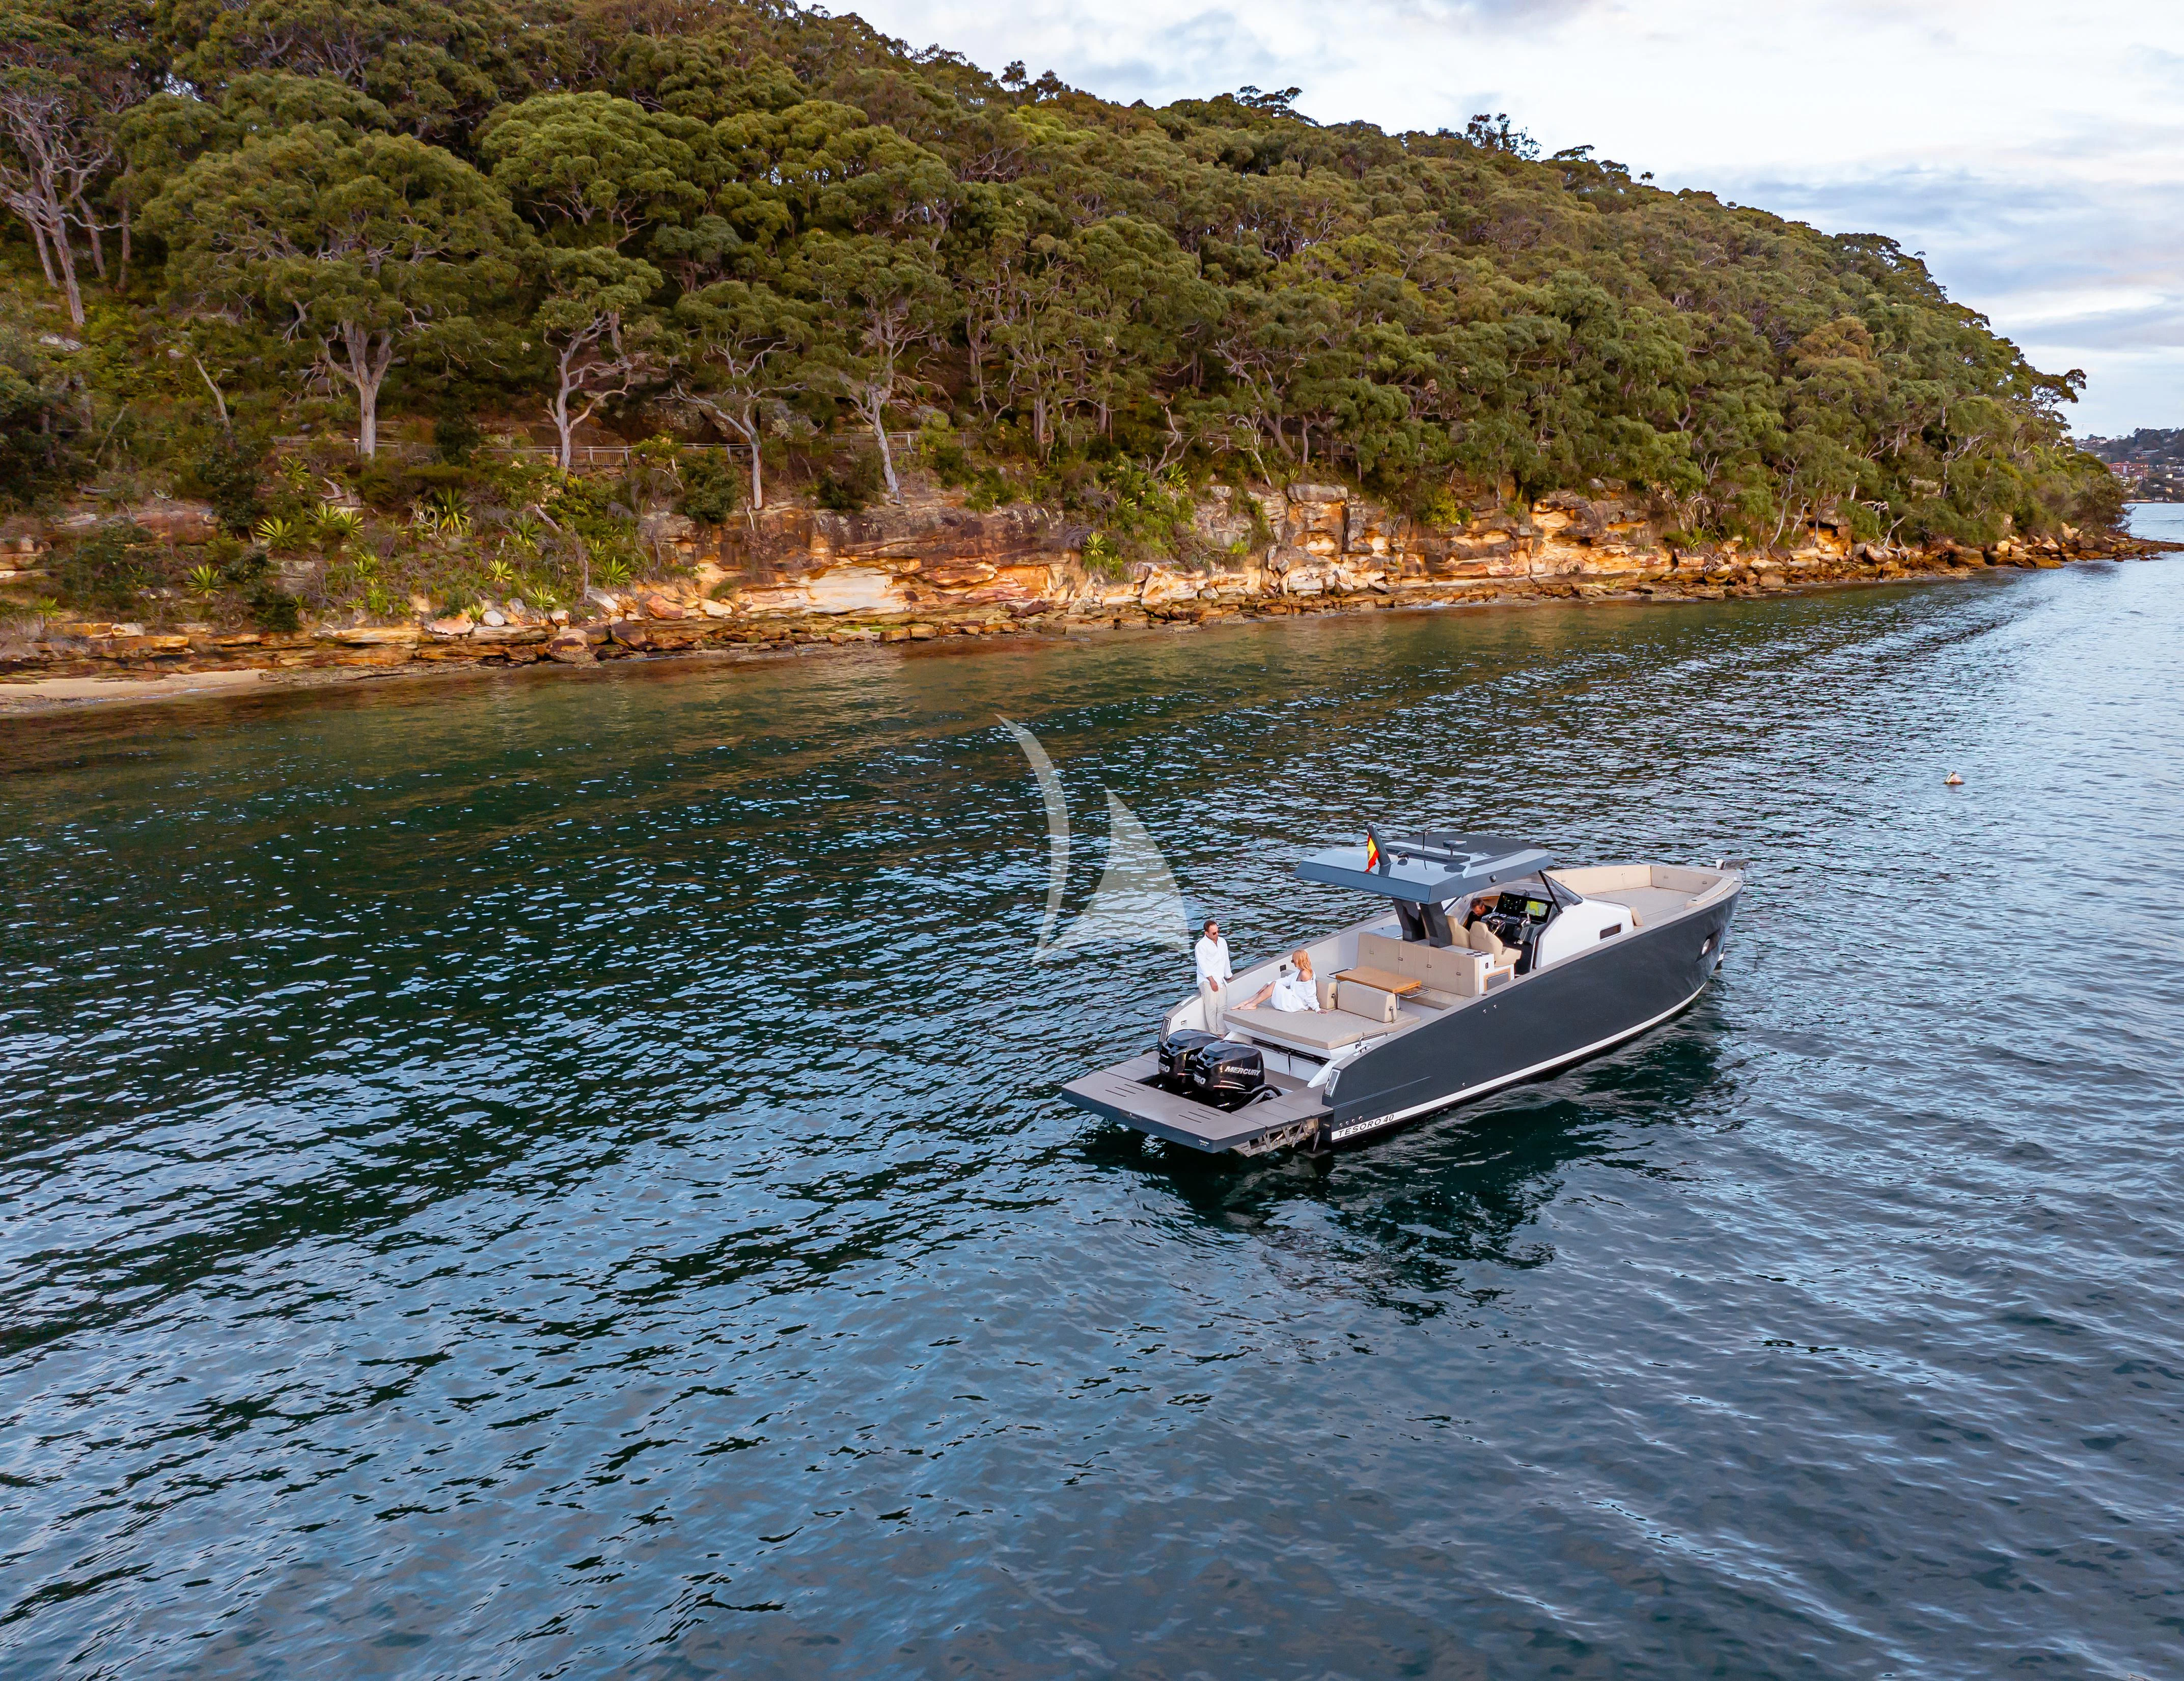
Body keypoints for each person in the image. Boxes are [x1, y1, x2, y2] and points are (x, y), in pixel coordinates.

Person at [1245, 950, 1323, 1013]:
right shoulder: (1301, 971)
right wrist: (1269, 984)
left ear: (1299, 961)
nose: (1293, 963)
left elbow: (1310, 994)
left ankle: (1252, 1004)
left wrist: (1317, 1009)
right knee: (1274, 984)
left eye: (1294, 961)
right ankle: (1251, 1002)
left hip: (1296, 1004)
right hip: (1294, 998)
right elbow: (1287, 980)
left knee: (1275, 985)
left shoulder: (1305, 974)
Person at [1194, 917, 1232, 1031]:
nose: (1217, 934)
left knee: (1222, 1007)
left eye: (1218, 932)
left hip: (1220, 978)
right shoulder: (1201, 946)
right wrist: (1211, 980)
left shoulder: (1222, 942)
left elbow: (1226, 959)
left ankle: (1221, 1032)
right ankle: (1213, 1033)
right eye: (1214, 933)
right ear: (1207, 933)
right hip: (1207, 979)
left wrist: (1228, 975)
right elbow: (1202, 965)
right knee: (1211, 1008)